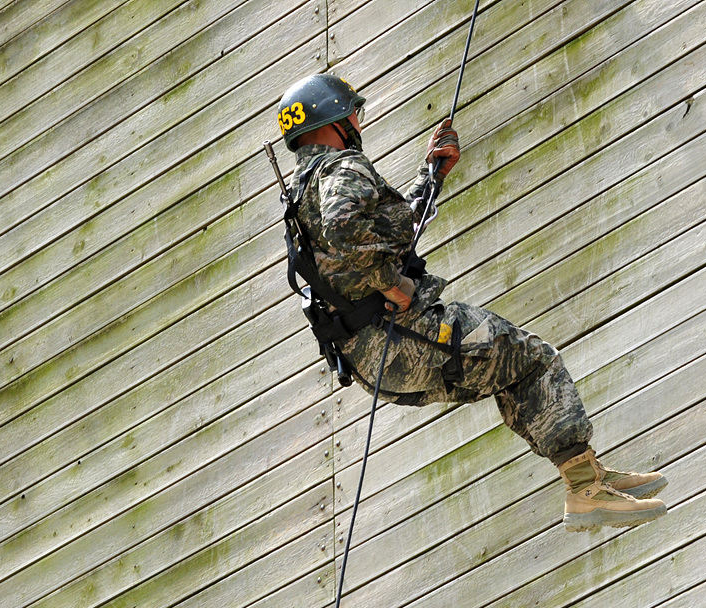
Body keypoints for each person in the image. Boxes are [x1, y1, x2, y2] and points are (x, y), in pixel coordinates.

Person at [276, 73, 667, 531]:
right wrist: (392, 286)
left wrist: (432, 176)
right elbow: (348, 232)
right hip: (404, 337)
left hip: (376, 362)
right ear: (335, 119)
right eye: (354, 112)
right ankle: (584, 490)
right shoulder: (343, 168)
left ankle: (585, 476)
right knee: (534, 358)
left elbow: (385, 234)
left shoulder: (302, 192)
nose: (360, 121)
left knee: (508, 370)